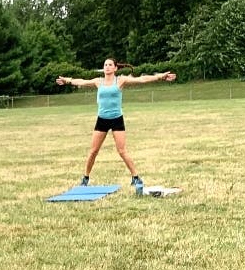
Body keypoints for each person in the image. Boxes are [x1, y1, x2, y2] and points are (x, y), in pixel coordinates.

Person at [56, 59, 176, 193]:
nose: (107, 67)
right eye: (105, 65)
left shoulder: (120, 80)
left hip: (117, 119)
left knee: (122, 151)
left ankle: (135, 177)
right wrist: (67, 80)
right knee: (93, 151)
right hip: (102, 120)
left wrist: (160, 76)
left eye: (110, 65)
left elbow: (141, 80)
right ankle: (85, 178)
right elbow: (82, 82)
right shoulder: (98, 81)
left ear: (115, 68)